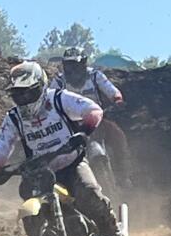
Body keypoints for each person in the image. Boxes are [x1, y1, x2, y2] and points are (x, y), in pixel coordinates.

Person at [0, 60, 128, 236]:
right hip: (39, 172)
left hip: (72, 163)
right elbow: (2, 145)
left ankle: (113, 232)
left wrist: (83, 133)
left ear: (41, 87)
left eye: (28, 92)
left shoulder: (58, 99)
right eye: (18, 94)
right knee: (27, 202)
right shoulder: (14, 117)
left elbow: (93, 110)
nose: (24, 98)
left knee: (89, 192)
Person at [51, 47, 132, 187]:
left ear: (83, 64)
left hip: (96, 120)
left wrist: (117, 99)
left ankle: (123, 176)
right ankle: (58, 182)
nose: (72, 70)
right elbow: (50, 99)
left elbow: (111, 90)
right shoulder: (59, 82)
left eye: (75, 65)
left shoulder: (95, 76)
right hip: (71, 125)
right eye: (69, 65)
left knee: (118, 135)